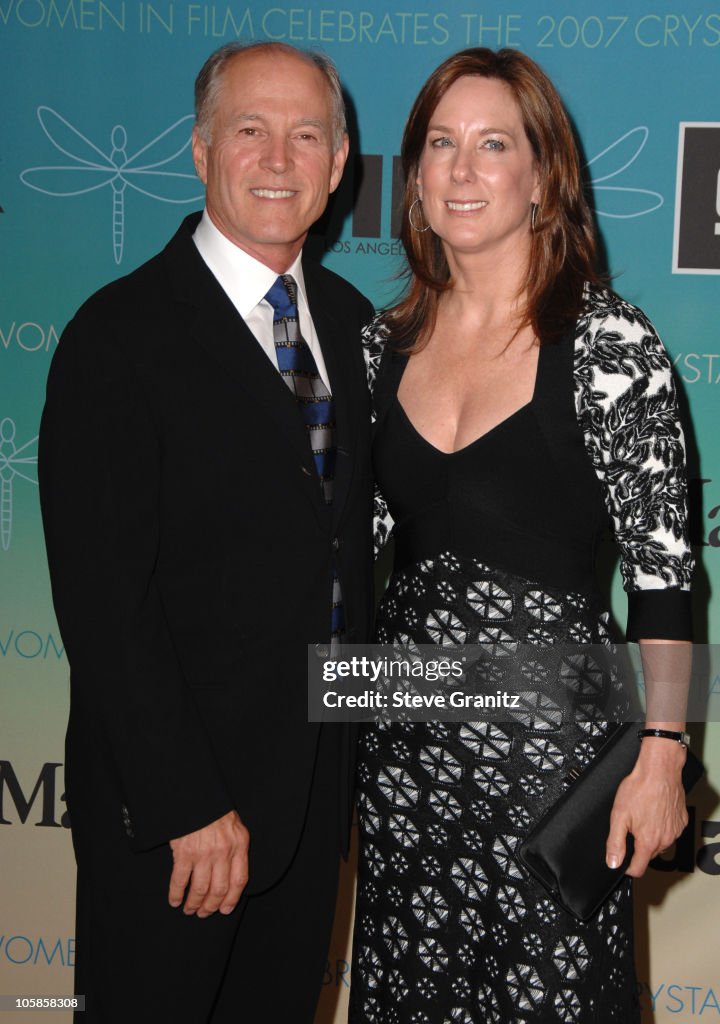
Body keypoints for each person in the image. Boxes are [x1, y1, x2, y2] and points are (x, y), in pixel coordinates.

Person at [349, 48, 693, 1023]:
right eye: (440, 145)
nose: (462, 169)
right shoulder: (378, 349)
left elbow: (666, 579)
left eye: (493, 144)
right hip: (406, 769)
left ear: (543, 174)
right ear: (413, 176)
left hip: (554, 775)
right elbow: (342, 563)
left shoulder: (607, 344)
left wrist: (661, 755)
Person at [38, 41, 374, 1024]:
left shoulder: (356, 328)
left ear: (340, 160)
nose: (278, 158)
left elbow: (347, 563)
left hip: (311, 812)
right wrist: (185, 801)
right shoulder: (119, 335)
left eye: (305, 134)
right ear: (198, 150)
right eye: (250, 130)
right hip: (179, 826)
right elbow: (103, 600)